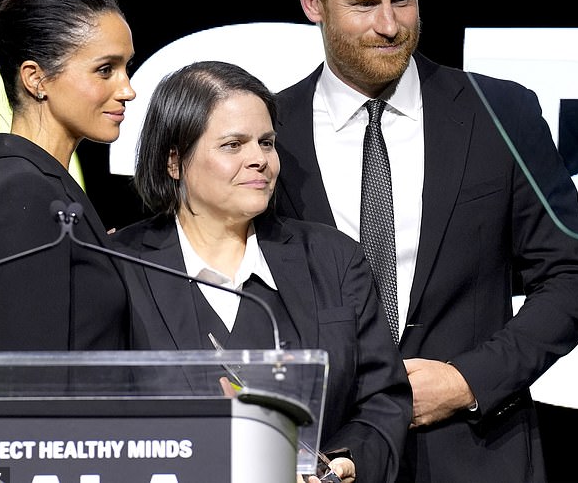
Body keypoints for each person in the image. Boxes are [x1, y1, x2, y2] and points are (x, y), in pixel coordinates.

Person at [274, 0, 578, 483]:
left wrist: (466, 381)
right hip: (322, 458)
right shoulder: (270, 132)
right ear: (311, 2)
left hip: (477, 452)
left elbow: (574, 278)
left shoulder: (501, 114)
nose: (390, 24)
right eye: (364, 5)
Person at [109, 60, 411, 483]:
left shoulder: (333, 259)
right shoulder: (119, 266)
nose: (260, 160)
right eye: (233, 145)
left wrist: (346, 460)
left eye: (266, 143)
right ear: (175, 161)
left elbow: (383, 399)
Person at [0, 0, 137, 354]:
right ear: (36, 79)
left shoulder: (42, 183)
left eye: (125, 68)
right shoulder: (22, 192)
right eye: (105, 70)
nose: (127, 89)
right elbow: (30, 380)